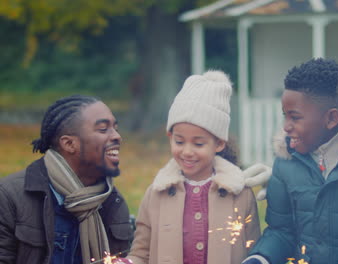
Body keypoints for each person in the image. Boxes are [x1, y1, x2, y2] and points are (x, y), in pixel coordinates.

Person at [244, 58, 338, 264]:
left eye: (295, 117)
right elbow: (281, 231)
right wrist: (260, 258)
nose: (285, 126)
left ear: (331, 119)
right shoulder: (285, 163)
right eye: (285, 116)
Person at [127, 70, 261, 264]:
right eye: (179, 141)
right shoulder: (156, 194)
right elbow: (140, 253)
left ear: (219, 144)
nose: (187, 152)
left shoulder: (240, 194)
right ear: (170, 137)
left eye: (198, 144)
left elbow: (253, 250)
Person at [0, 95, 133, 264]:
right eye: (102, 129)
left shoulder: (112, 201)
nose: (117, 137)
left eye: (115, 128)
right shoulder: (10, 197)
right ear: (69, 144)